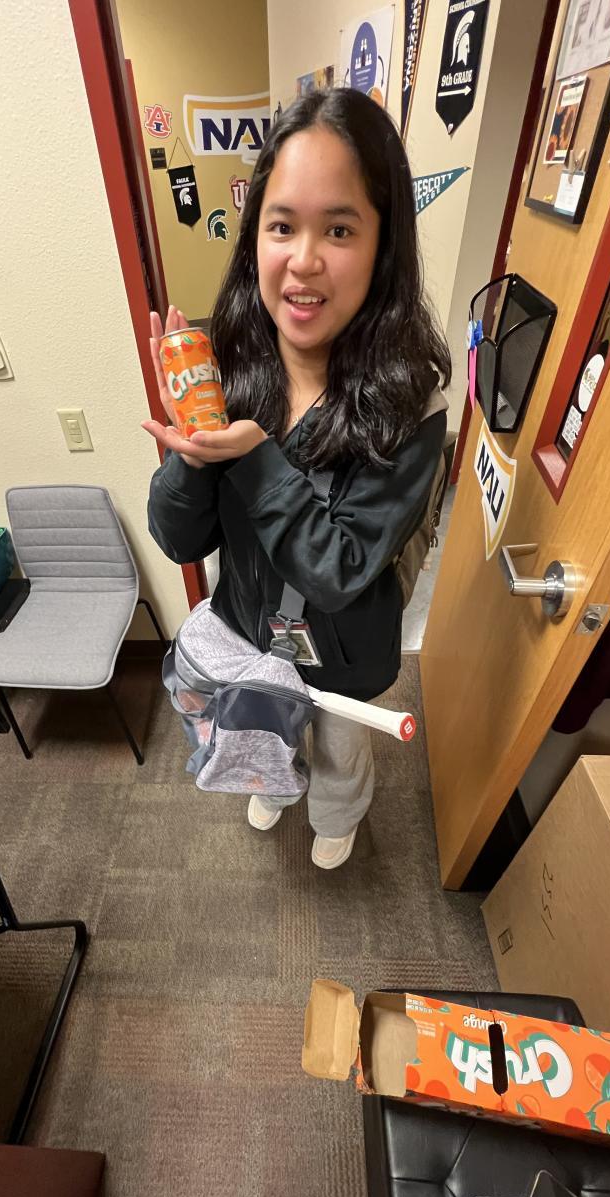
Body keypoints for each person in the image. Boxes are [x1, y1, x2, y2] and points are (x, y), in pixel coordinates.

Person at [145, 88, 449, 869]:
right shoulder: (229, 370)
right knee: (260, 729)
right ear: (255, 238)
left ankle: (338, 815)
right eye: (282, 226)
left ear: (383, 243)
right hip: (252, 630)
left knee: (340, 751)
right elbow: (181, 539)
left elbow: (337, 571)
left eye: (339, 229)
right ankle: (275, 785)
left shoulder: (410, 408)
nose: (304, 259)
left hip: (343, 654)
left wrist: (253, 457)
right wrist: (191, 456)